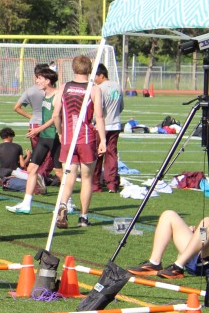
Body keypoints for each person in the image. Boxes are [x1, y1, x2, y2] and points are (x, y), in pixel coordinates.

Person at [52, 55, 106, 229]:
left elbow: (55, 115)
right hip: (86, 138)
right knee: (87, 179)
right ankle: (83, 216)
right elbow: (99, 117)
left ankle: (63, 205)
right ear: (89, 69)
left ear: (73, 68)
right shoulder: (94, 89)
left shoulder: (63, 87)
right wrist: (103, 140)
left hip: (68, 139)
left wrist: (60, 132)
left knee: (69, 178)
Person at [6, 67, 61, 214]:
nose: (37, 81)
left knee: (59, 171)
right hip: (44, 137)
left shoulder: (57, 96)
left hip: (55, 138)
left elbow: (55, 118)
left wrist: (38, 129)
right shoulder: (43, 94)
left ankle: (68, 201)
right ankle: (26, 203)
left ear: (48, 81)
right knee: (32, 169)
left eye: (40, 78)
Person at [127, 211, 209, 280]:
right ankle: (154, 263)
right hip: (196, 256)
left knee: (206, 222)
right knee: (168, 215)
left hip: (205, 261)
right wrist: (197, 235)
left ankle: (178, 267)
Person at [14, 64, 56, 179]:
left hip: (35, 124)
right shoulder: (51, 90)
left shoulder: (30, 90)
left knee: (38, 155)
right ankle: (41, 176)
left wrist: (31, 116)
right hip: (48, 125)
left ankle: (37, 175)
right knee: (50, 155)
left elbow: (16, 107)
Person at [94, 64, 123, 193]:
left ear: (101, 75)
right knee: (112, 155)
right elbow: (121, 107)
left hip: (102, 126)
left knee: (97, 154)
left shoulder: (99, 88)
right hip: (115, 124)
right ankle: (112, 184)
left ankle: (95, 184)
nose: (94, 79)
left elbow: (98, 109)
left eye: (95, 76)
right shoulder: (118, 86)